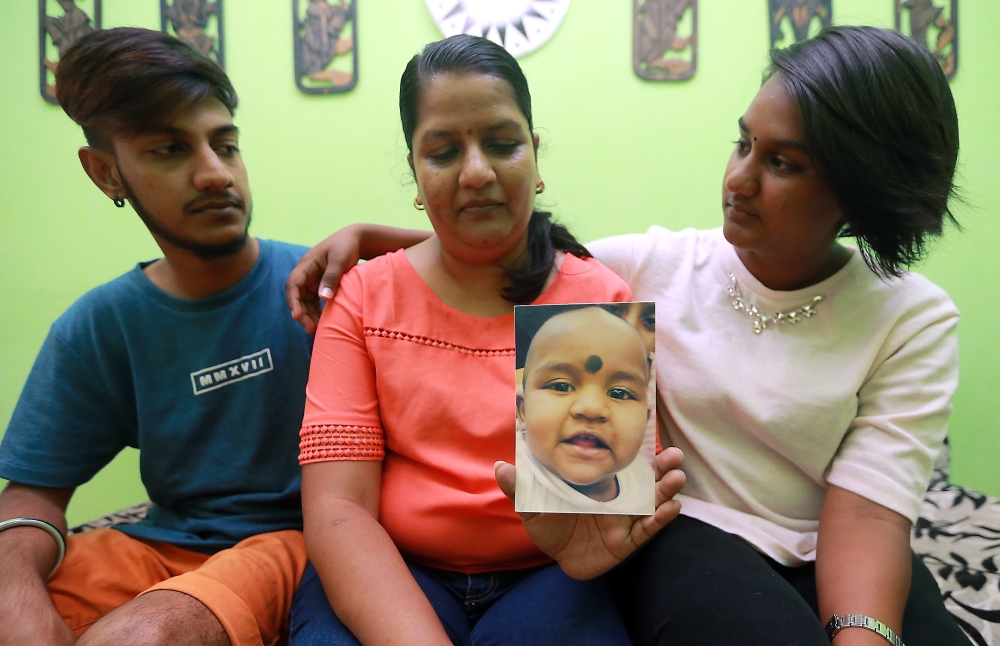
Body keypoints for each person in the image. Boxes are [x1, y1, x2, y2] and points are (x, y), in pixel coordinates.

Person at [286, 26, 970, 645]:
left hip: (734, 547)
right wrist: (370, 245)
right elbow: (489, 251)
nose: (737, 179)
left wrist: (863, 633)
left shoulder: (907, 316)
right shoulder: (654, 265)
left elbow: (871, 514)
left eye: (783, 163)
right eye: (741, 143)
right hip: (694, 542)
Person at [288, 35, 686, 646]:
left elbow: (598, 508)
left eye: (503, 144)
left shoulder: (594, 299)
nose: (477, 172)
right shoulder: (365, 297)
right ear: (416, 176)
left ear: (536, 158)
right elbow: (338, 512)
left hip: (551, 575)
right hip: (392, 568)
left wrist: (591, 546)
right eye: (444, 152)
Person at [0, 28, 311, 646]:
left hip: (295, 543)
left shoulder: (322, 288)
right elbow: (31, 496)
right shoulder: (101, 324)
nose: (214, 174)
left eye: (226, 145)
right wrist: (16, 597)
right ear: (107, 174)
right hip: (161, 546)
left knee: (143, 635)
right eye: (170, 150)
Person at [515, 306, 654, 514]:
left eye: (619, 393)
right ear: (523, 411)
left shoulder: (644, 480)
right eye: (562, 386)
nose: (591, 408)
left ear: (646, 420)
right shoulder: (515, 475)